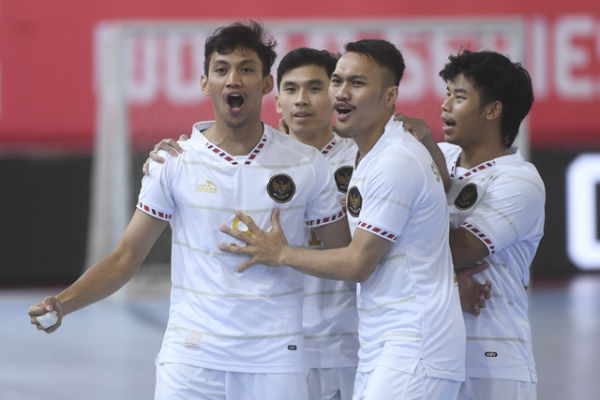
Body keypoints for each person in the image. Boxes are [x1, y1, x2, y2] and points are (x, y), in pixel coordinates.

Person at [28, 21, 351, 400]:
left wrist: (286, 254)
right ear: (204, 83)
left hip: (276, 359)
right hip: (192, 359)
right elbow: (126, 256)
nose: (233, 79)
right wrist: (62, 303)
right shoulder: (173, 162)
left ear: (265, 84)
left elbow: (346, 259)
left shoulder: (306, 164)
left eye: (246, 69)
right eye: (221, 69)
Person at [219, 39, 466, 400]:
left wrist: (281, 253)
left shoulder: (394, 160)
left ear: (389, 96)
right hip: (378, 342)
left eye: (357, 83)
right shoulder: (373, 156)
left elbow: (357, 262)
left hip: (412, 344)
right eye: (337, 81)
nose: (341, 93)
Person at [397, 50, 544, 399]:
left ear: (493, 110)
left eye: (459, 96)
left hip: (493, 362)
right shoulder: (440, 156)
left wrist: (386, 239)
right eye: (447, 93)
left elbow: (457, 251)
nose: (445, 105)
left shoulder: (519, 181)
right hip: (432, 355)